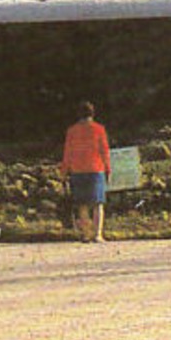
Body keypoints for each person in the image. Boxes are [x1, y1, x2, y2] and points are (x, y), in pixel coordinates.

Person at [60, 101, 112, 243]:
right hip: (96, 169)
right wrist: (108, 169)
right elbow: (104, 151)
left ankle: (86, 234)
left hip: (77, 170)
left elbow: (67, 153)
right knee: (98, 204)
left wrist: (64, 172)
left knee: (82, 205)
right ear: (93, 114)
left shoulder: (72, 131)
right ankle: (98, 234)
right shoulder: (99, 129)